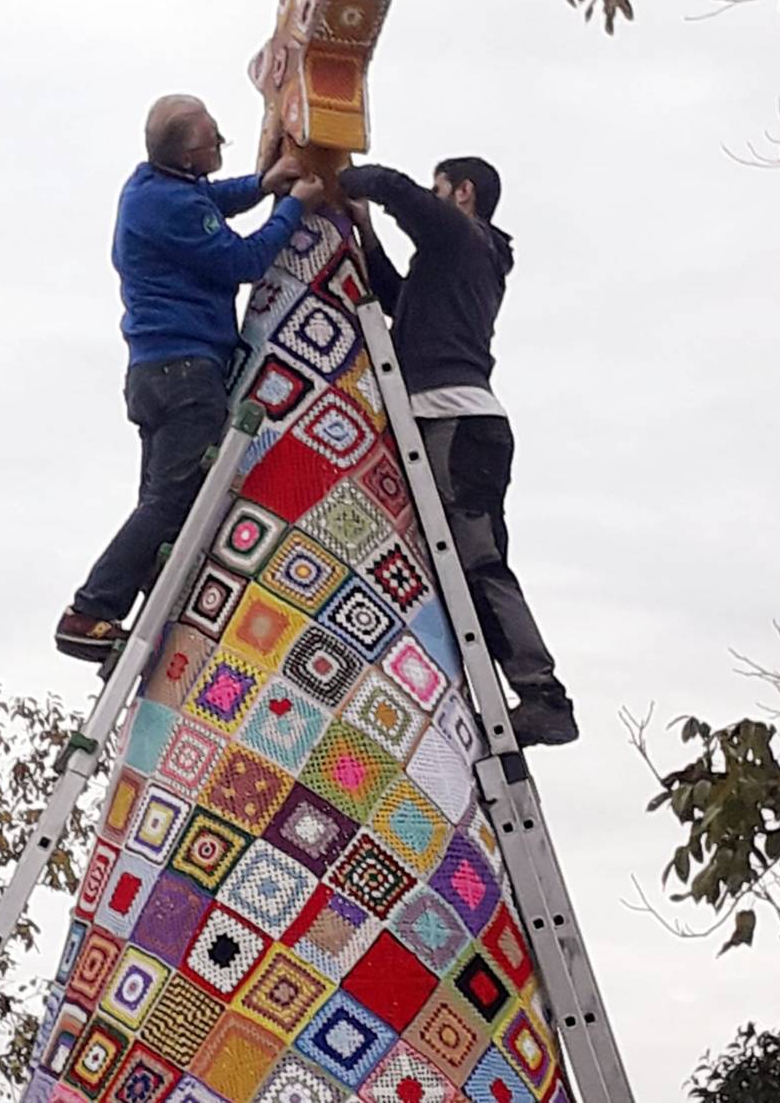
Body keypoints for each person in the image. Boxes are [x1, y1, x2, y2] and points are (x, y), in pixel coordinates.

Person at [55, 95, 324, 661]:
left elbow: (210, 200)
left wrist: (262, 183)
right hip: (185, 372)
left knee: (160, 501)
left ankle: (153, 598)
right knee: (172, 499)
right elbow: (244, 261)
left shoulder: (152, 187)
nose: (221, 144)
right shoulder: (174, 208)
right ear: (187, 153)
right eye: (214, 140)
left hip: (156, 371)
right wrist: (291, 207)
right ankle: (91, 611)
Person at [339, 158, 578, 747]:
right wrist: (364, 231)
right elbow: (399, 300)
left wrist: (335, 174)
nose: (433, 195)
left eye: (440, 187)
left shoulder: (460, 233)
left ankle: (543, 694)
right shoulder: (458, 262)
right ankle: (530, 691)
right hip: (459, 422)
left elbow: (398, 190)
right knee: (468, 567)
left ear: (462, 193)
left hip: (455, 423)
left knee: (478, 561)